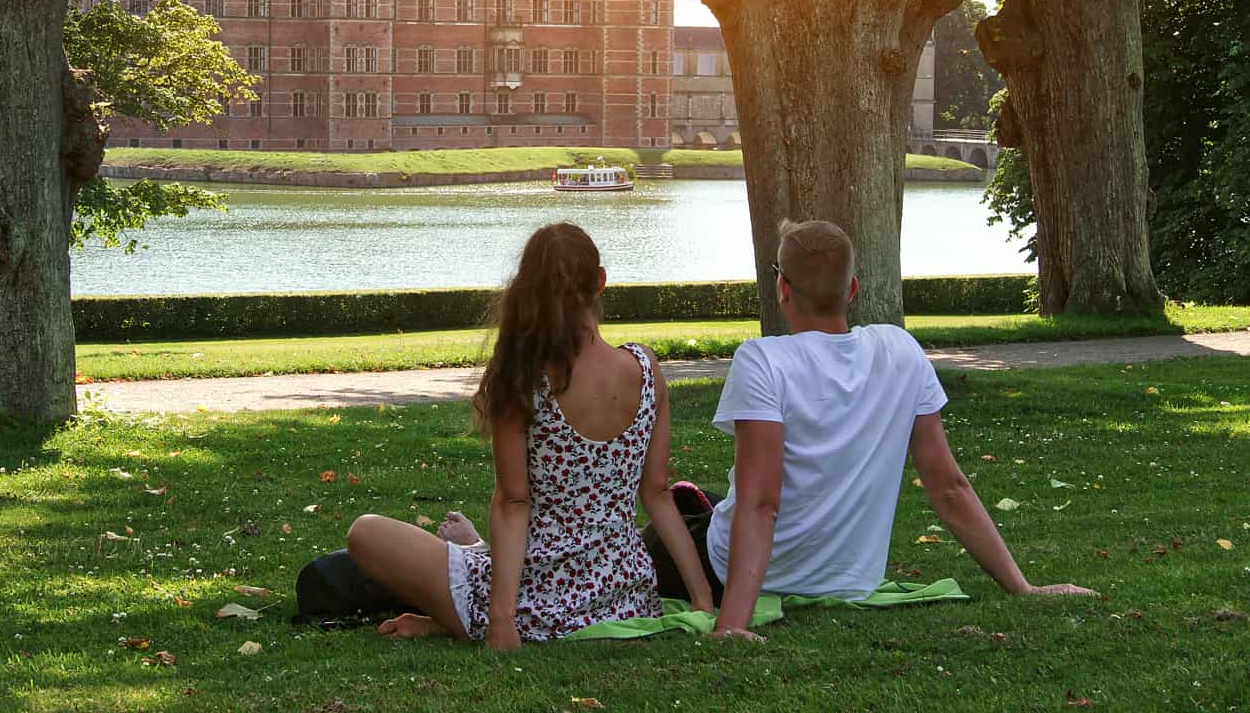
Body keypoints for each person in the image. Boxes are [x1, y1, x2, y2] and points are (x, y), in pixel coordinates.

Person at [647, 219, 1093, 640]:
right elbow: (948, 486)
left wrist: (732, 624)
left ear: (783, 288)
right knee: (709, 497)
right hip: (849, 581)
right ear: (852, 290)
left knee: (659, 535)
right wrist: (1022, 587)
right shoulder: (900, 350)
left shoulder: (763, 360)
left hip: (729, 569)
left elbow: (763, 503)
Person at [346, 222, 715, 649]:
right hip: (625, 598)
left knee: (365, 531)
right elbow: (658, 494)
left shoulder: (524, 378)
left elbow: (513, 502)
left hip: (533, 607)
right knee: (467, 556)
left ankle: (460, 602)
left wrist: (502, 621)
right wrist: (702, 601)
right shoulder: (645, 369)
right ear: (600, 282)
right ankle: (467, 569)